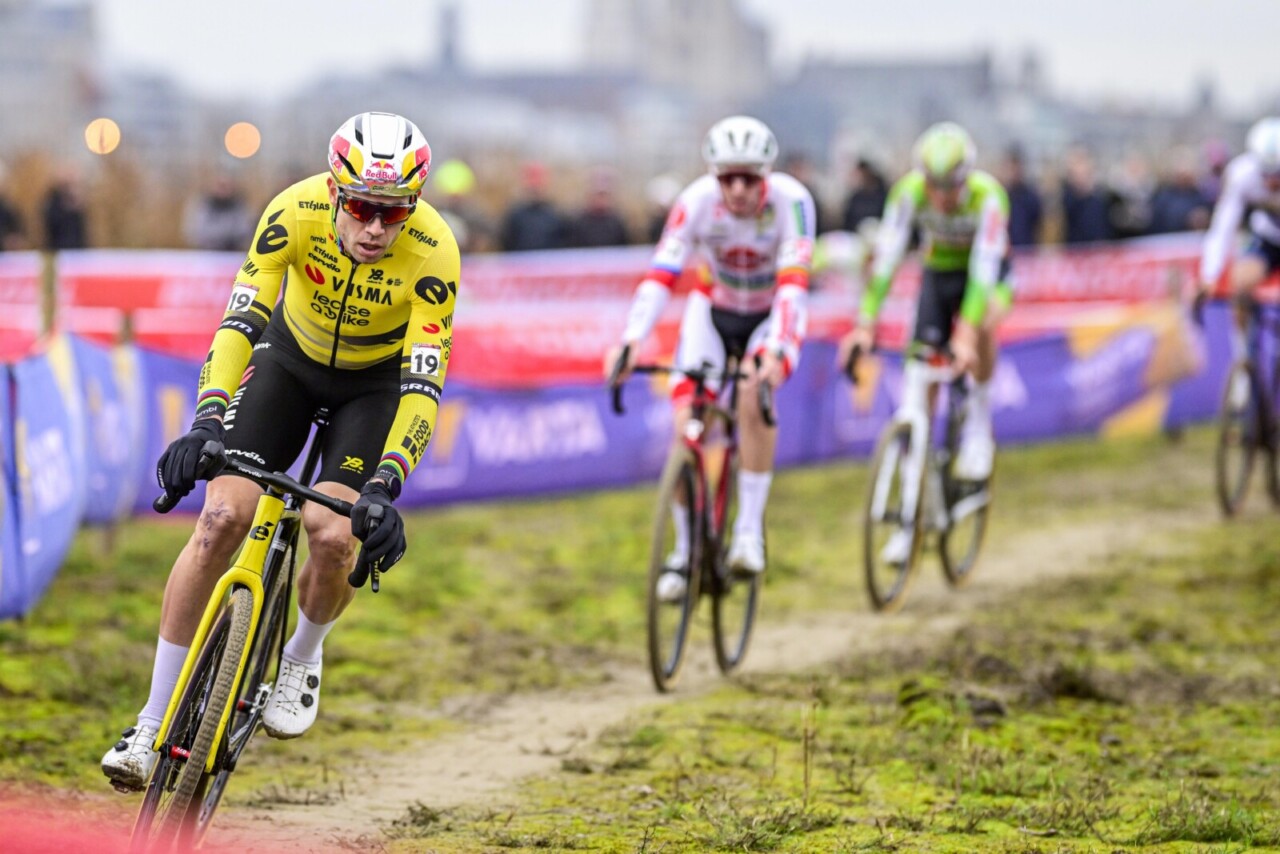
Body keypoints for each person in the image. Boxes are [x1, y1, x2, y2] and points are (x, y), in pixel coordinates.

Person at [101, 111, 460, 791]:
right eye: (360, 207)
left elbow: (423, 383)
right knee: (218, 522)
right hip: (288, 363)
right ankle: (150, 725)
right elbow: (240, 322)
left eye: (394, 212)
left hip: (375, 386)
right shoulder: (291, 212)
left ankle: (300, 656)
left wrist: (385, 486)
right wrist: (207, 421)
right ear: (334, 193)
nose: (376, 228)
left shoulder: (435, 250)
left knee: (331, 534)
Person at [604, 115, 816, 601]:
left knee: (749, 392)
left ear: (767, 175)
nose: (738, 189)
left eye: (750, 178)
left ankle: (747, 531)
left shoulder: (793, 202)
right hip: (714, 310)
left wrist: (776, 351)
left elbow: (793, 288)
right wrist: (631, 339)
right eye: (728, 178)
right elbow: (660, 276)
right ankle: (683, 552)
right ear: (714, 175)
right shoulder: (696, 202)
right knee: (688, 426)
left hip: (769, 313)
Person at [839, 122, 1011, 563]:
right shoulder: (908, 193)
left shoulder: (988, 198)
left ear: (966, 177)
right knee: (919, 392)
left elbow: (985, 271)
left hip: (983, 276)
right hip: (938, 274)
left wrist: (968, 336)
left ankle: (978, 425)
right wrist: (865, 322)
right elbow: (888, 260)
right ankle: (909, 519)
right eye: (934, 186)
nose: (943, 196)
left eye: (951, 186)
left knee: (984, 323)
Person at [1195, 116, 1280, 406]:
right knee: (1239, 282)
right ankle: (1244, 365)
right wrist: (1209, 276)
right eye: (1267, 173)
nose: (1272, 181)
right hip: (1267, 238)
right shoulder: (1242, 174)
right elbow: (1222, 229)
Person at [498, 161, 568, 251]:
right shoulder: (514, 215)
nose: (535, 188)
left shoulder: (557, 215)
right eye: (532, 185)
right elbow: (506, 243)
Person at [183, 170, 255, 251]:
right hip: (205, 252)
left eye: (227, 186)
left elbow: (245, 230)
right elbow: (193, 232)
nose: (223, 190)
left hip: (233, 253)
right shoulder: (201, 205)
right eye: (220, 186)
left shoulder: (240, 206)